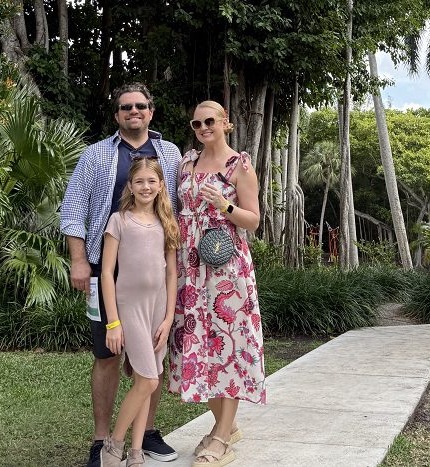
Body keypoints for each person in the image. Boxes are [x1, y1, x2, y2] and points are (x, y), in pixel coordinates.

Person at [60, 83, 181, 466]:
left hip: (154, 276)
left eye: (140, 105)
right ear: (117, 115)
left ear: (151, 111)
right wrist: (79, 260)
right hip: (106, 271)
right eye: (126, 107)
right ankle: (102, 440)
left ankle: (146, 434)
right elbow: (73, 208)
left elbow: (180, 205)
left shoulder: (170, 154)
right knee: (107, 355)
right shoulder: (96, 155)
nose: (134, 111)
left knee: (153, 360)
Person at [168, 100, 266, 467]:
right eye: (197, 123)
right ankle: (227, 424)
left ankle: (221, 437)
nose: (204, 127)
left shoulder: (240, 166)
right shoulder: (186, 164)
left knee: (230, 346)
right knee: (195, 345)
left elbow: (253, 220)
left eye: (210, 120)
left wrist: (224, 205)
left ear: (226, 123)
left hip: (226, 269)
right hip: (189, 268)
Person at [96, 158, 179, 467]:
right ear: (130, 186)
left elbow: (171, 273)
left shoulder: (167, 222)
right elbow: (107, 273)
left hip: (158, 309)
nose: (146, 187)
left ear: (161, 185)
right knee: (148, 381)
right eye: (140, 181)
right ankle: (113, 445)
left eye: (151, 181)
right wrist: (113, 323)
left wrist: (168, 319)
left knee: (146, 381)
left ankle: (136, 452)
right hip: (130, 308)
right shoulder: (119, 220)